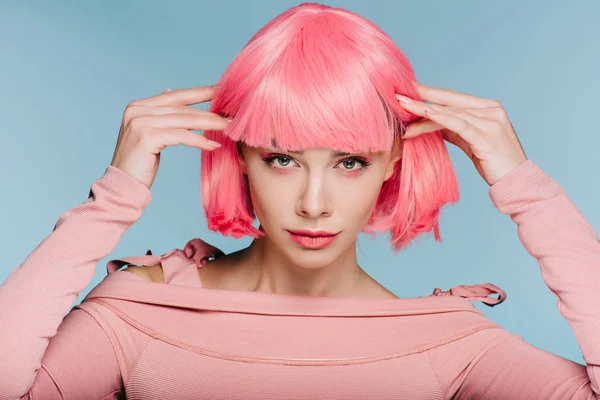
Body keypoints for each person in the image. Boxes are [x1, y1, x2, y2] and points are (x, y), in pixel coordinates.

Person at [1, 2, 599, 399]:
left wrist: (524, 185)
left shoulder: (447, 344)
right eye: (282, 159)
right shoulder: (143, 310)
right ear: (238, 155)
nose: (315, 203)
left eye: (350, 162)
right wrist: (113, 200)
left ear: (393, 162)